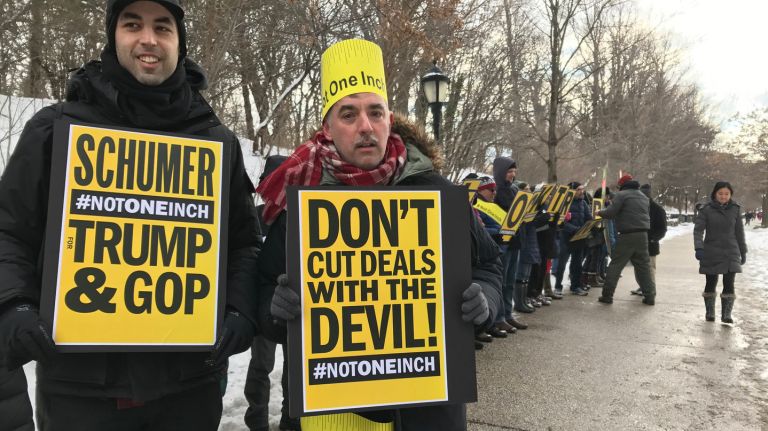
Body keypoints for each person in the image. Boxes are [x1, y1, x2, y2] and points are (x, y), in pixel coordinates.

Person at [0, 1, 261, 429]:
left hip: (189, 388)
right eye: (132, 24)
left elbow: (244, 242)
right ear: (112, 35)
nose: (148, 39)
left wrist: (239, 309)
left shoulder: (216, 141)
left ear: (179, 41)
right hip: (79, 391)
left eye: (163, 27)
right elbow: (9, 229)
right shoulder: (57, 129)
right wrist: (14, 304)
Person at [255, 39, 502, 431]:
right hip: (328, 415)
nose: (365, 127)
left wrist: (484, 300)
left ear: (390, 118)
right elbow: (264, 290)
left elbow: (489, 265)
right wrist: (276, 307)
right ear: (328, 126)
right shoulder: (302, 201)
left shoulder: (436, 192)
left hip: (426, 413)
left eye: (375, 112)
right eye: (348, 114)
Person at [244, 155, 297, 431]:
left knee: (294, 365)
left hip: (293, 305)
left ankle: (291, 416)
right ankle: (257, 418)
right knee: (261, 364)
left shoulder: (299, 214)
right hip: (261, 301)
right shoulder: (258, 213)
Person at [596, 174, 655, 305]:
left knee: (616, 265)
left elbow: (611, 213)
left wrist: (599, 212)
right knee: (644, 267)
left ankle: (607, 296)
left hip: (627, 234)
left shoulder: (621, 195)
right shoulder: (644, 197)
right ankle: (650, 296)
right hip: (643, 235)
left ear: (622, 185)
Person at [693, 181, 747, 323]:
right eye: (720, 193)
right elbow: (698, 230)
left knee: (729, 282)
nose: (723, 196)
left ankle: (726, 314)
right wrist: (699, 247)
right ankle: (710, 312)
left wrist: (743, 251)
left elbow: (739, 233)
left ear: (730, 195)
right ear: (715, 194)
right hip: (711, 250)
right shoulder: (706, 209)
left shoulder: (735, 209)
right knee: (711, 281)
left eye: (726, 194)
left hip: (731, 251)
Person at [553, 182, 592, 296]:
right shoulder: (564, 204)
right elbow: (561, 222)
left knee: (577, 264)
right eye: (578, 189)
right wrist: (575, 229)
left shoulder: (584, 203)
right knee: (561, 264)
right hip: (565, 238)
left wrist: (591, 224)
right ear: (572, 191)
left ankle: (576, 286)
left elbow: (588, 218)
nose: (581, 192)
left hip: (579, 238)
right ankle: (558, 287)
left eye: (582, 189)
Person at [630, 184, 667, 296]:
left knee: (650, 268)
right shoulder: (636, 208)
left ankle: (650, 289)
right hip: (637, 242)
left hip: (650, 244)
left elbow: (662, 229)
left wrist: (653, 239)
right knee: (637, 267)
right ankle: (642, 286)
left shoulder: (658, 210)